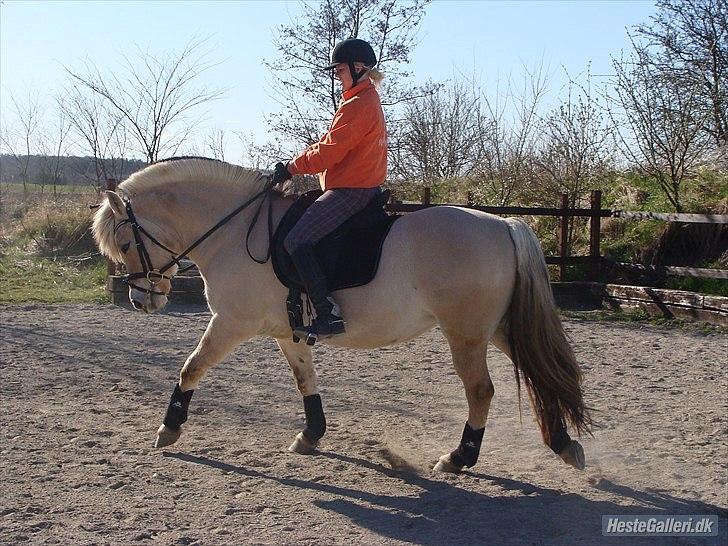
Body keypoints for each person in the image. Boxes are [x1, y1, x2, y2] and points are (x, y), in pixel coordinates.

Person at [272, 38, 387, 340]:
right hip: (355, 186)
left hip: (351, 191)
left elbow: (329, 152)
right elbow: (328, 146)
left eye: (340, 69)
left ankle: (328, 313)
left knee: (296, 239)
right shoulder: (359, 100)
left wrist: (291, 168)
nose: (337, 75)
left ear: (358, 68)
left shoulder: (359, 104)